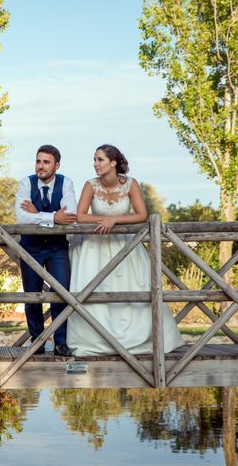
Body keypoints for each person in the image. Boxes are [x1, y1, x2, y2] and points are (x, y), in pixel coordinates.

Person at [66, 144, 183, 356]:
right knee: (94, 289)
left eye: (100, 160)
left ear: (113, 163)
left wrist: (115, 220)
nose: (95, 164)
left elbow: (141, 215)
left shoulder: (130, 184)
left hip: (126, 245)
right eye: (94, 160)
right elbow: (81, 215)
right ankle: (95, 340)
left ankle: (137, 339)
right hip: (97, 245)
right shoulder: (90, 185)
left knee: (134, 287)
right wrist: (104, 221)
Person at [16, 144, 77, 356]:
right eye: (38, 161)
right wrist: (52, 216)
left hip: (56, 248)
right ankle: (38, 342)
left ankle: (61, 342)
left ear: (56, 165)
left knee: (61, 292)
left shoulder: (66, 183)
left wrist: (38, 213)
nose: (40, 166)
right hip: (30, 247)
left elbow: (69, 216)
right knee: (32, 296)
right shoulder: (26, 183)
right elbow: (22, 217)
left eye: (46, 162)